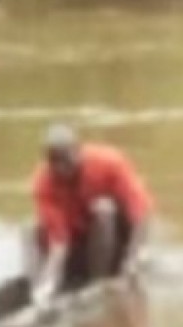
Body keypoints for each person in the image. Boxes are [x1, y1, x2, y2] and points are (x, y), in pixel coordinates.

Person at [26, 125, 153, 302]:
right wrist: (49, 281)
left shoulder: (110, 162)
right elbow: (59, 242)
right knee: (31, 231)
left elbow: (140, 213)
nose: (62, 169)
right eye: (55, 162)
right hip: (80, 239)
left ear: (78, 151)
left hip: (115, 236)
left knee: (104, 210)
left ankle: (97, 283)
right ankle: (38, 292)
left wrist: (133, 259)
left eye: (66, 160)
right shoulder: (43, 183)